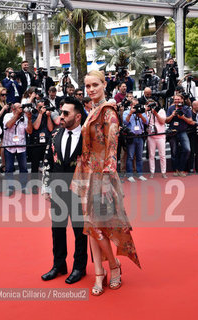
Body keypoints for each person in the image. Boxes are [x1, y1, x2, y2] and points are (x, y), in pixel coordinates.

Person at [71, 71, 140, 296]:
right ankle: (100, 272)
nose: (90, 90)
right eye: (87, 86)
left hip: (102, 175)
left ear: (103, 85)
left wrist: (108, 180)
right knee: (91, 228)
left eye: (94, 85)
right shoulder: (91, 111)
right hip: (87, 174)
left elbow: (112, 147)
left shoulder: (108, 112)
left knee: (97, 226)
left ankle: (113, 266)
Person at [41, 96, 88, 283]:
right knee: (57, 229)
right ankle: (59, 265)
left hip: (79, 192)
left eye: (66, 113)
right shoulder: (55, 135)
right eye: (61, 112)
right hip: (58, 190)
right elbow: (48, 161)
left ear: (77, 117)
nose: (61, 116)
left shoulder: (87, 137)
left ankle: (79, 267)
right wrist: (46, 186)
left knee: (80, 231)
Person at [3, 103, 33, 196]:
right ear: (13, 109)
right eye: (20, 107)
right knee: (9, 168)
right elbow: (8, 125)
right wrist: (16, 115)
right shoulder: (7, 115)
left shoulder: (25, 117)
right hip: (9, 146)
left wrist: (29, 119)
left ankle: (24, 186)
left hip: (21, 146)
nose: (22, 109)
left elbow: (29, 131)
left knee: (23, 168)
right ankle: (10, 188)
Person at [30, 100, 54, 194]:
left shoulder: (47, 115)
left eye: (43, 107)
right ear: (37, 107)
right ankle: (34, 186)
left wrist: (48, 116)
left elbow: (51, 129)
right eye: (40, 107)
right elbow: (35, 126)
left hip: (46, 142)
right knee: (35, 166)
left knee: (48, 165)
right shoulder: (34, 114)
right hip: (36, 143)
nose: (43, 109)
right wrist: (40, 114)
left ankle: (48, 184)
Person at [166, 94, 193, 177]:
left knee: (187, 149)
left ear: (182, 100)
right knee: (174, 152)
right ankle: (176, 170)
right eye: (175, 99)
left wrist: (182, 117)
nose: (176, 101)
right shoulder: (170, 108)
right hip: (172, 132)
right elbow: (166, 121)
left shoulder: (186, 108)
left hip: (182, 131)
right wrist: (172, 115)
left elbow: (190, 121)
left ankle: (181, 169)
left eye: (178, 99)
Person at [123, 98, 149, 182]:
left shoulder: (141, 112)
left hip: (140, 136)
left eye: (137, 105)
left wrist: (140, 115)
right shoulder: (126, 112)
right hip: (131, 136)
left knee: (139, 157)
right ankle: (129, 175)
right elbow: (125, 122)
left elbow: (146, 122)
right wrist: (131, 113)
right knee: (130, 156)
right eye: (135, 105)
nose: (137, 107)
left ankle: (140, 174)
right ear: (131, 105)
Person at [146, 100, 167, 178]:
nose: (151, 106)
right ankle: (152, 172)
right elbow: (146, 122)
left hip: (161, 136)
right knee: (151, 155)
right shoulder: (147, 112)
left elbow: (162, 121)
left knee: (162, 155)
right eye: (149, 105)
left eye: (152, 105)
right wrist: (146, 111)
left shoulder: (161, 111)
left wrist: (155, 113)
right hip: (151, 136)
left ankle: (163, 172)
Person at [0, 87, 10, 173]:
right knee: (3, 144)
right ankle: (3, 163)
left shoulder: (5, 103)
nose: (4, 96)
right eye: (2, 95)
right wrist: (3, 108)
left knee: (5, 144)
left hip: (5, 125)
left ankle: (5, 163)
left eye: (5, 94)